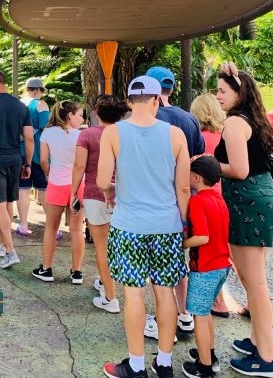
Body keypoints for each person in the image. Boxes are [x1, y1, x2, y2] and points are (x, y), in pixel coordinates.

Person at [99, 75, 190, 378]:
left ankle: (135, 366)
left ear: (128, 101)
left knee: (134, 293)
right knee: (165, 292)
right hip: (167, 225)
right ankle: (164, 363)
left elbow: (102, 181)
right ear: (156, 100)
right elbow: (183, 189)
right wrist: (184, 223)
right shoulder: (176, 135)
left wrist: (112, 191)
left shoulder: (113, 132)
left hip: (128, 226)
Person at [214, 61, 273, 377]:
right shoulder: (252, 119)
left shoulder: (233, 123)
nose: (217, 96)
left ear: (238, 94)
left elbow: (239, 170)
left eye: (222, 91)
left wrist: (206, 164)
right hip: (263, 197)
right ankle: (258, 341)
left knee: (254, 282)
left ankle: (267, 358)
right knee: (249, 277)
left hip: (249, 201)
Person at [145, 65, 205, 337]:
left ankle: (161, 321)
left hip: (157, 201)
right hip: (187, 200)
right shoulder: (189, 119)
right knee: (177, 261)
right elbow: (199, 160)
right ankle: (184, 315)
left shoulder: (147, 120)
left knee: (156, 266)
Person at [70, 94, 129, 312]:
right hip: (124, 196)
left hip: (95, 194)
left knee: (102, 248)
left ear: (96, 112)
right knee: (118, 246)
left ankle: (111, 298)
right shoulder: (125, 134)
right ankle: (106, 283)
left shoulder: (88, 134)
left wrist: (73, 192)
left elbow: (79, 166)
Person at [182, 155, 231, 378]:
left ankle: (204, 367)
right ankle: (209, 354)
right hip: (222, 265)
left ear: (196, 177)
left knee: (199, 316)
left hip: (205, 269)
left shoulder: (198, 201)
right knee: (206, 313)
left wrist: (182, 244)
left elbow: (202, 236)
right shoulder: (219, 199)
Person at [0, 71, 33, 269]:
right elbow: (28, 139)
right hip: (14, 160)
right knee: (9, 203)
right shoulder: (20, 106)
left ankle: (10, 251)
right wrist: (27, 163)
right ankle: (1, 243)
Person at [190, 92, 234, 318]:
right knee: (219, 248)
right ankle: (220, 300)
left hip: (203, 196)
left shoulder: (200, 138)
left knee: (203, 249)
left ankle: (211, 301)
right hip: (222, 198)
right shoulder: (224, 135)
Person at [32, 100, 84, 283]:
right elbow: (81, 163)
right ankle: (76, 272)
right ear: (70, 116)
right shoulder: (80, 136)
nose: (82, 118)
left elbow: (44, 160)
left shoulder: (47, 133)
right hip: (78, 187)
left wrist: (47, 173)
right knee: (77, 229)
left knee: (51, 227)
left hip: (56, 183)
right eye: (79, 114)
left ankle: (46, 269)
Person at [15, 77, 49, 236]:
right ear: (37, 90)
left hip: (20, 150)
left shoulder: (18, 103)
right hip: (38, 151)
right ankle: (51, 226)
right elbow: (45, 125)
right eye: (41, 90)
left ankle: (22, 225)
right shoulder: (40, 104)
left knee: (23, 189)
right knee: (44, 188)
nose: (41, 93)